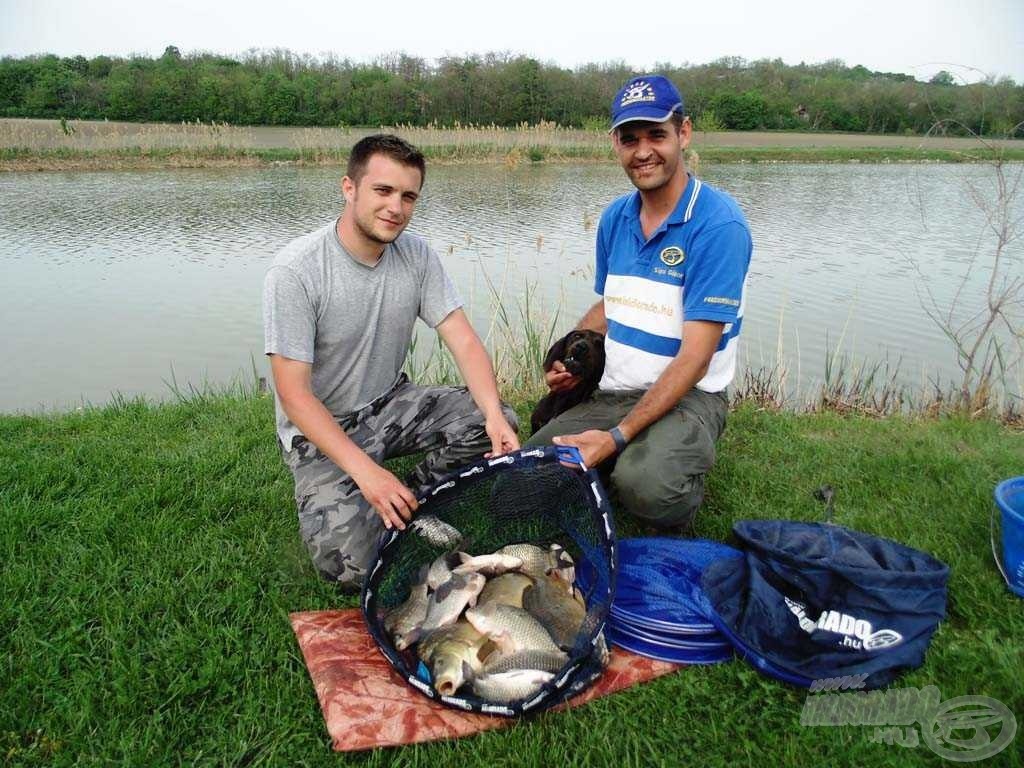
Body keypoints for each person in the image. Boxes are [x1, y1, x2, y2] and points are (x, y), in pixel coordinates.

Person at [263, 134, 519, 591]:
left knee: (496, 421)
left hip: (389, 403)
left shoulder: (416, 255)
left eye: (408, 196)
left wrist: (496, 416)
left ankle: (418, 499)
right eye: (383, 191)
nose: (395, 208)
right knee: (353, 568)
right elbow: (294, 395)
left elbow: (462, 339)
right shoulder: (296, 270)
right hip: (320, 430)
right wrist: (366, 472)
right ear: (349, 188)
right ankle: (381, 495)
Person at [527, 75, 752, 532]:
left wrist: (616, 437)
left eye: (656, 135)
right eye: (630, 139)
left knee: (646, 488)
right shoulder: (615, 218)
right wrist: (569, 355)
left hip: (691, 396)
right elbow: (609, 308)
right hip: (616, 388)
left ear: (683, 133)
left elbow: (695, 358)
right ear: (616, 144)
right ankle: (617, 457)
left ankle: (665, 472)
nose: (643, 151)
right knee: (526, 478)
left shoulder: (719, 226)